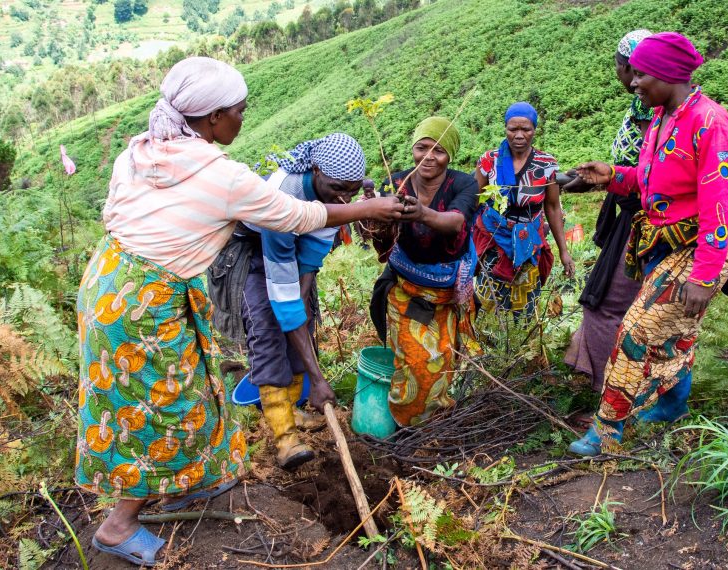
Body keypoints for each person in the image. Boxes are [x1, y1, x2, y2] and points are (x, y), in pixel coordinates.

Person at [76, 57, 404, 566]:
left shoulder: (144, 151)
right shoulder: (223, 176)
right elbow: (295, 218)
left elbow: (112, 211)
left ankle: (188, 485)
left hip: (114, 276)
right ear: (211, 119)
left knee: (195, 390)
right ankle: (118, 526)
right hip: (143, 301)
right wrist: (366, 209)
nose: (244, 119)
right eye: (240, 111)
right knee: (155, 406)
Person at [568, 33, 728, 456]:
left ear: (667, 75)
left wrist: (704, 276)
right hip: (664, 241)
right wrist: (611, 173)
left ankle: (605, 432)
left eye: (642, 74)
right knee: (675, 333)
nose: (634, 82)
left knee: (636, 331)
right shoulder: (663, 117)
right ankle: (670, 405)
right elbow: (651, 183)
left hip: (701, 247)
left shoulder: (710, 123)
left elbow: (720, 206)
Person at [231, 133, 369, 470]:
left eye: (352, 190)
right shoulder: (282, 193)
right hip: (251, 251)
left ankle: (291, 409)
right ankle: (285, 440)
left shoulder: (332, 199)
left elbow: (306, 265)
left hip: (290, 248)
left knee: (301, 319)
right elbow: (281, 294)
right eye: (339, 187)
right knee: (267, 330)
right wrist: (319, 379)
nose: (345, 197)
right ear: (317, 170)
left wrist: (303, 308)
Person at [563, 30, 654, 422]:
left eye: (626, 68)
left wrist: (608, 178)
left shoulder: (658, 113)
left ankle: (614, 406)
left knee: (607, 306)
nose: (626, 77)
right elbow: (630, 169)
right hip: (631, 217)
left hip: (645, 223)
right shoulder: (641, 106)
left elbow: (647, 176)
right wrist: (588, 179)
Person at [366, 117, 481, 426]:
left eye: (438, 150)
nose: (429, 157)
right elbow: (380, 239)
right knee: (412, 361)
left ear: (450, 155)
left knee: (442, 361)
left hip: (444, 296)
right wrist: (372, 220)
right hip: (405, 291)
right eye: (422, 148)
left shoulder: (463, 184)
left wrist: (422, 212)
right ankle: (407, 423)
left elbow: (456, 221)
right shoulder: (396, 182)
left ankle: (434, 424)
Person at [472, 102, 575, 318]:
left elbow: (553, 207)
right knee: (487, 302)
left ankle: (521, 345)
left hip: (528, 242)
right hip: (494, 239)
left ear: (534, 130)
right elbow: (475, 200)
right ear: (505, 129)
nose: (519, 135)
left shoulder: (546, 164)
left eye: (526, 129)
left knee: (525, 304)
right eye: (513, 129)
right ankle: (486, 344)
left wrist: (564, 251)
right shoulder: (490, 160)